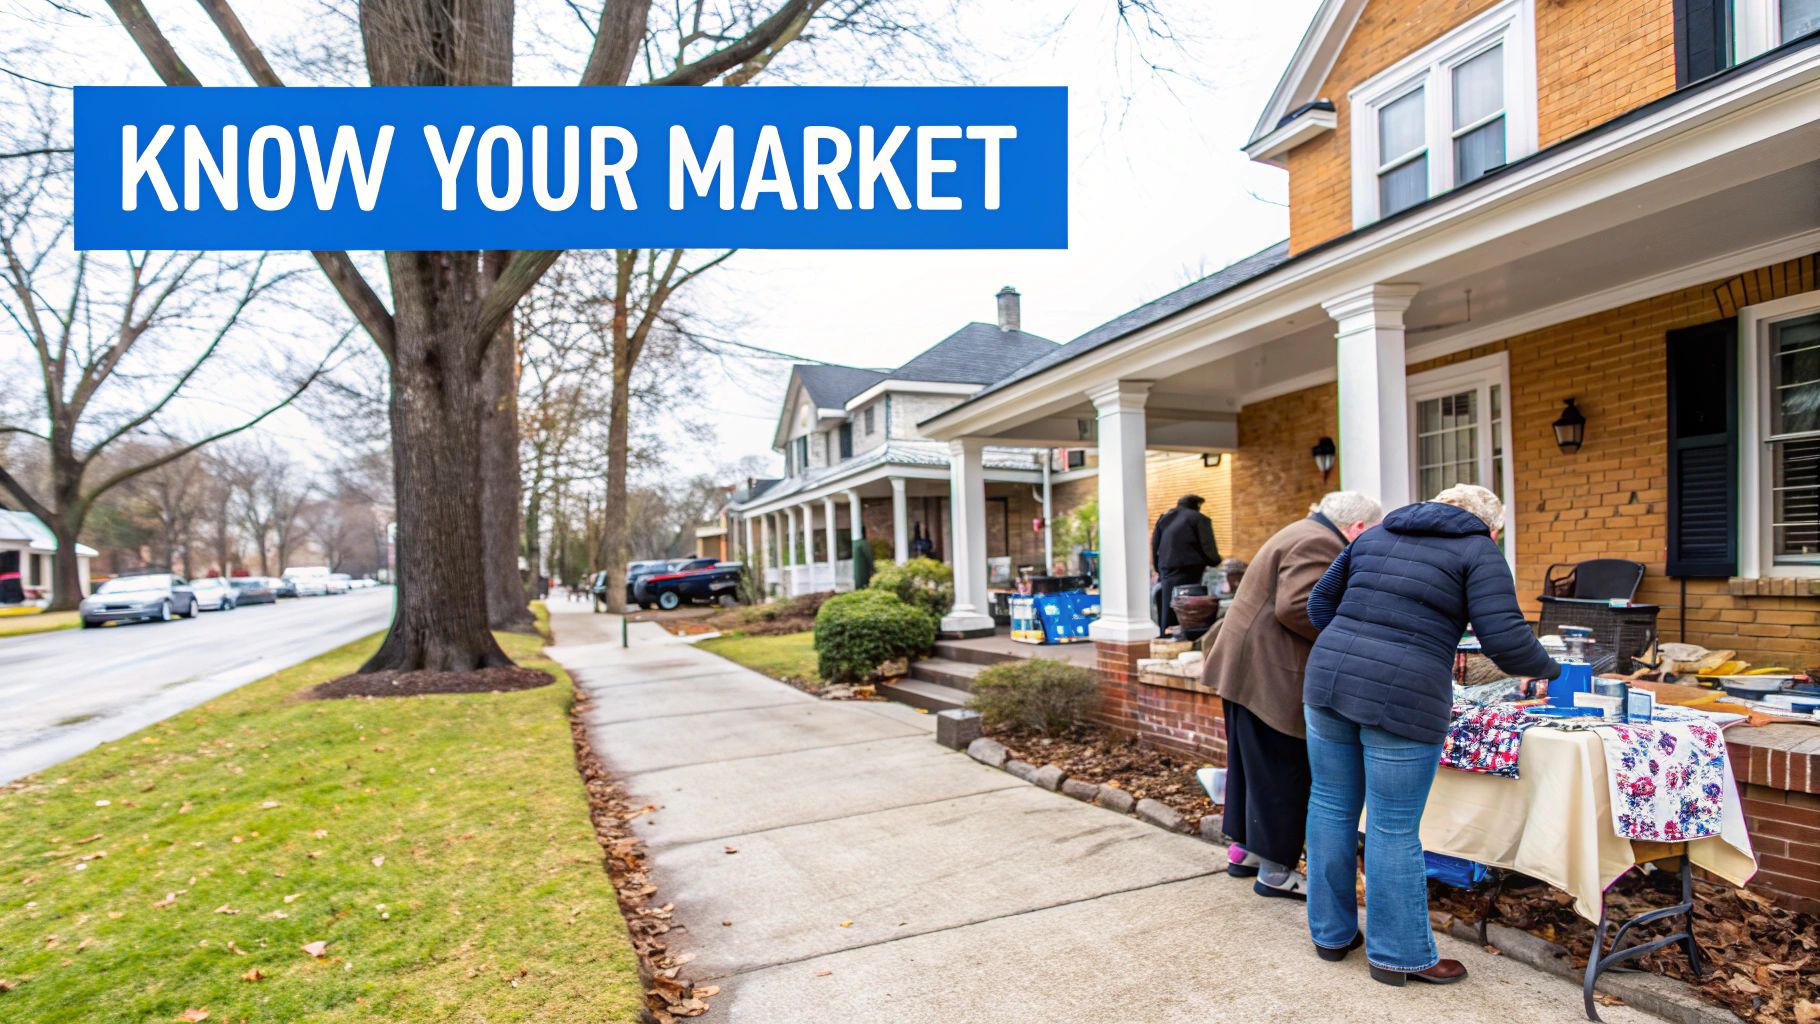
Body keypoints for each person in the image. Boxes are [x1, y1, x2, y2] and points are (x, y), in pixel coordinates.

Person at [1301, 484, 1559, 986]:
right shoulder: (1477, 548)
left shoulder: (1373, 536)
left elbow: (1318, 606)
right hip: (1404, 696)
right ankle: (1399, 956)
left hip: (1328, 678)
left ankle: (1331, 936)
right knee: (1393, 826)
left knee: (1330, 807)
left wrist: (1360, 644)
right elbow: (1505, 639)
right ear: (1491, 525)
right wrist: (1549, 667)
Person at [1201, 491, 1382, 900]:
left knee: (1254, 770)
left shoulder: (1303, 531)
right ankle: (1276, 873)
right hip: (1270, 674)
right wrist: (1348, 638)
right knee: (1282, 774)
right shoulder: (1321, 542)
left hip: (1249, 670)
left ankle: (1247, 853)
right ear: (1356, 527)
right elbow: (1298, 605)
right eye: (1371, 533)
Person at [1151, 494, 1221, 631]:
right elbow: (1207, 547)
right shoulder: (1198, 518)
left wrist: (1159, 569)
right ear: (1197, 505)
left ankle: (1167, 635)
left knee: (1168, 605)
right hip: (1190, 569)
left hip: (1167, 569)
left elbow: (1155, 546)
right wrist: (1215, 561)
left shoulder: (1164, 519)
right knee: (1190, 608)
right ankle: (1187, 637)